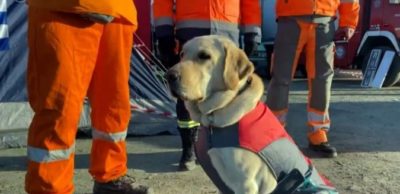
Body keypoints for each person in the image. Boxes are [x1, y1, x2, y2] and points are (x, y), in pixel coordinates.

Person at [24, 1, 152, 194]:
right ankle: (50, 189)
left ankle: (111, 176)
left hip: (117, 11)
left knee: (114, 104)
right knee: (59, 107)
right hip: (64, 9)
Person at [153, 0, 262, 171]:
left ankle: (231, 148)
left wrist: (252, 32)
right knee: (186, 92)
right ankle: (189, 149)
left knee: (230, 94)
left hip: (226, 31)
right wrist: (164, 31)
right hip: (191, 32)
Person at [266, 0, 360, 158]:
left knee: (321, 80)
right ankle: (273, 132)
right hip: (290, 18)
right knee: (281, 78)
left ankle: (318, 133)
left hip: (324, 20)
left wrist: (349, 22)